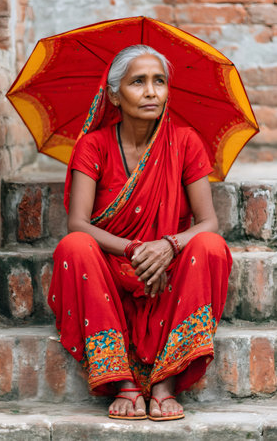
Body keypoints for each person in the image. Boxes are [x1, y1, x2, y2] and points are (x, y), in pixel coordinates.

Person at [48, 44, 232, 421]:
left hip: (167, 271)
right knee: (73, 246)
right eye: (138, 82)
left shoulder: (184, 142)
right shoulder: (93, 145)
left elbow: (208, 221)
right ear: (114, 94)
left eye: (159, 81)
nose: (151, 91)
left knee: (211, 246)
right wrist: (135, 249)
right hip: (111, 269)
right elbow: (78, 223)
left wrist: (167, 246)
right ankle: (124, 384)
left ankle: (165, 383)